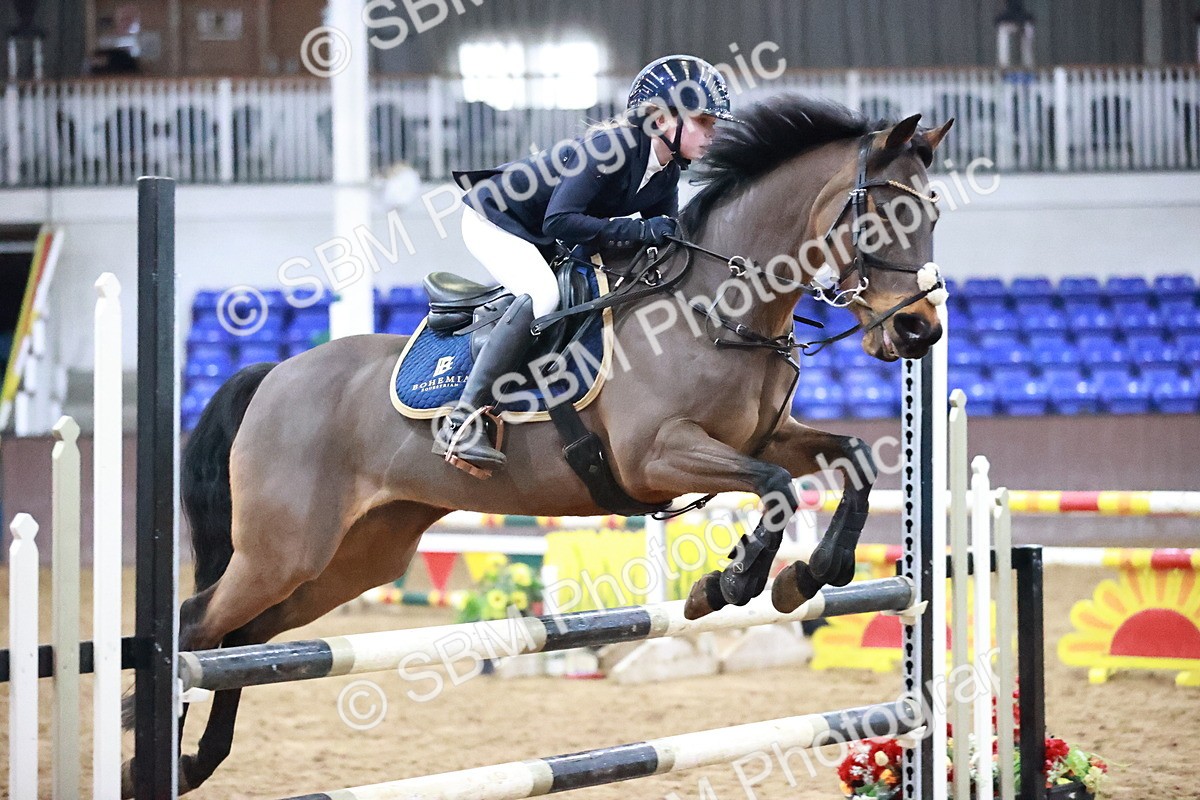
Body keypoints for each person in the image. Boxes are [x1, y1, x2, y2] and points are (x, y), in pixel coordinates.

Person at [435, 54, 739, 472]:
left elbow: (662, 237)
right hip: (496, 219)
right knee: (543, 295)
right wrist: (638, 232)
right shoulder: (609, 147)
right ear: (665, 119)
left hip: (541, 231)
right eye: (705, 121)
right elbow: (560, 219)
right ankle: (461, 420)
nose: (714, 132)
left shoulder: (666, 172)